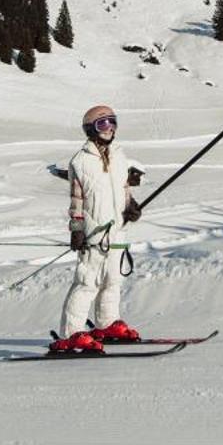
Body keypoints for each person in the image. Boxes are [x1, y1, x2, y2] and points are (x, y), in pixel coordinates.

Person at [48, 104, 147, 355]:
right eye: (103, 124)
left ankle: (106, 325)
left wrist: (131, 206)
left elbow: (124, 188)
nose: (109, 128)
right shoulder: (80, 162)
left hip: (117, 231)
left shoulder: (119, 155)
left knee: (112, 280)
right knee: (87, 281)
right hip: (94, 234)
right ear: (91, 128)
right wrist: (77, 229)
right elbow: (76, 201)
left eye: (113, 122)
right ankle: (71, 335)